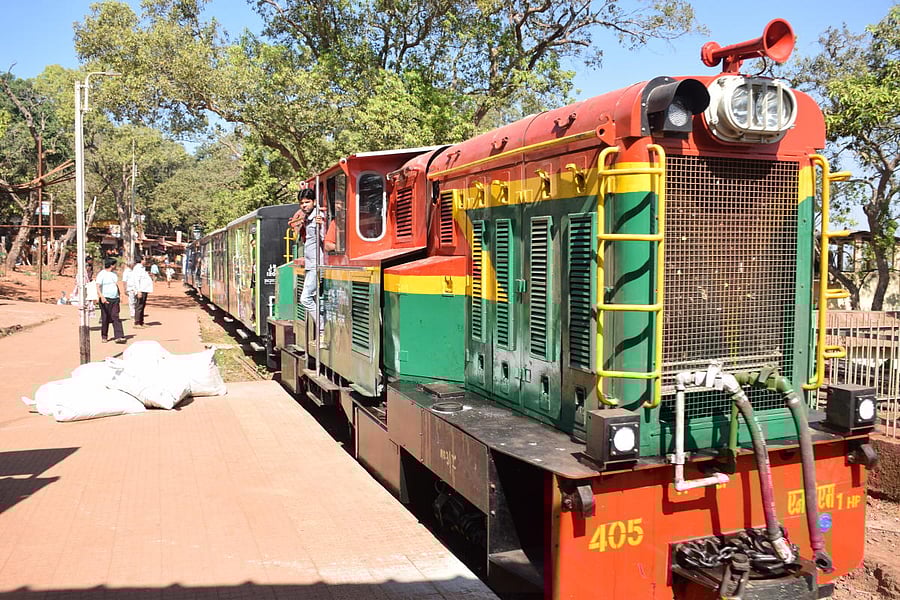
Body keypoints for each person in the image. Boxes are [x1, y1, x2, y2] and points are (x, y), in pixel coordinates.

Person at [290, 189, 330, 336]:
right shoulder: (307, 218)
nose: (304, 205)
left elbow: (325, 240)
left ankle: (322, 328)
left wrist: (323, 225)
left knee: (305, 298)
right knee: (311, 297)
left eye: (307, 202)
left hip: (316, 263)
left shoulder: (318, 217)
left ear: (314, 202)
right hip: (309, 263)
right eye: (301, 203)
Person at [96, 257, 126, 344]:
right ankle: (104, 336)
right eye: (115, 264)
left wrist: (120, 295)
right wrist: (102, 297)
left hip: (115, 298)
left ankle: (119, 336)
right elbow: (98, 286)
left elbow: (116, 285)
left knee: (115, 317)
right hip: (106, 298)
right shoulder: (102, 274)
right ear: (111, 265)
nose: (116, 266)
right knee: (105, 318)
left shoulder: (114, 274)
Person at [132, 257, 154, 328]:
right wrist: (138, 291)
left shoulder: (142, 268)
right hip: (140, 290)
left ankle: (141, 322)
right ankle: (137, 322)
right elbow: (136, 280)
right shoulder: (137, 268)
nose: (145, 261)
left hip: (144, 289)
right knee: (139, 306)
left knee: (142, 306)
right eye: (144, 259)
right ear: (141, 260)